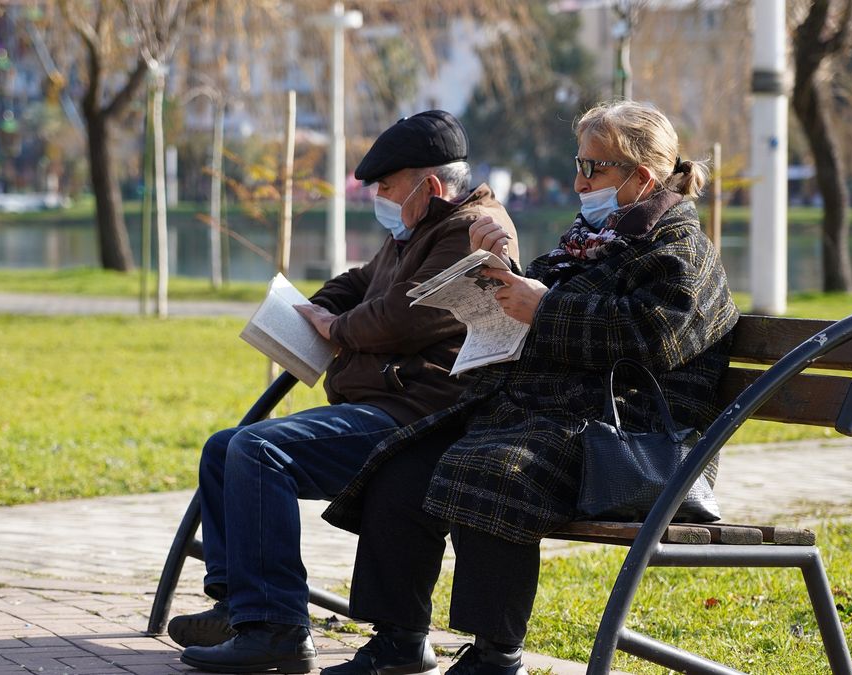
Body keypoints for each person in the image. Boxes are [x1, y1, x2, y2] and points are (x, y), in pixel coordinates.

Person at [320, 100, 740, 675]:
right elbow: (526, 295)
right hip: (548, 417)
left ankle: (497, 655)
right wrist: (492, 264)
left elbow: (654, 337)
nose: (578, 181)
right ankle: (397, 639)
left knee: (490, 470)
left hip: (624, 436)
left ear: (641, 178)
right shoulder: (586, 241)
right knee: (402, 465)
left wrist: (544, 309)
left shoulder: (683, 252)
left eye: (593, 168)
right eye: (579, 163)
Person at [175, 110, 519, 675]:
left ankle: (276, 627)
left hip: (418, 412)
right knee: (223, 446)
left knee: (261, 450)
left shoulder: (470, 230)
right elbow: (361, 283)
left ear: (429, 186)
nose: (378, 199)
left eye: (386, 187)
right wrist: (319, 306)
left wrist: (337, 329)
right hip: (383, 404)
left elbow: (410, 314)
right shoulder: (417, 228)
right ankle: (241, 605)